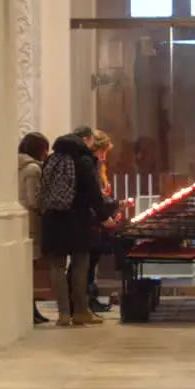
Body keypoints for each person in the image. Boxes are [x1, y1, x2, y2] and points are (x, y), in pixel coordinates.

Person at [39, 125, 118, 326]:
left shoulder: (52, 158)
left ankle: (63, 314)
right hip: (77, 220)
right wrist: (104, 217)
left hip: (52, 219)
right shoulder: (84, 160)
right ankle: (81, 311)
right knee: (80, 265)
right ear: (86, 140)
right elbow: (93, 193)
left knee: (56, 266)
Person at [79, 130, 119, 313]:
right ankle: (85, 300)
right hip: (90, 221)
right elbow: (93, 195)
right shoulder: (89, 166)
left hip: (95, 220)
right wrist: (110, 206)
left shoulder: (97, 167)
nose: (104, 157)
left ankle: (89, 298)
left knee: (92, 262)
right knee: (87, 263)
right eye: (102, 151)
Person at [17, 131, 51, 325]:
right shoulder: (33, 169)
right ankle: (30, 308)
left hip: (21, 221)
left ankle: (30, 308)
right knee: (30, 268)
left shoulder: (16, 166)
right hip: (31, 222)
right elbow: (34, 199)